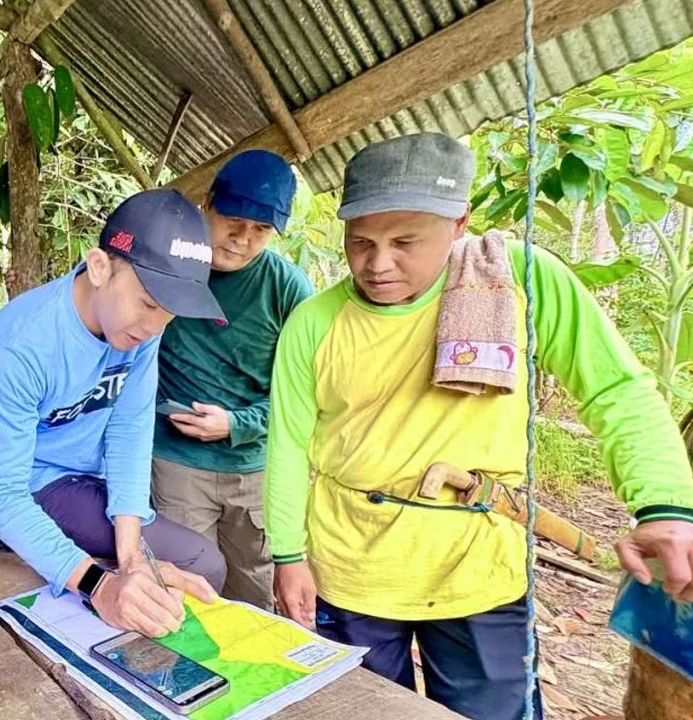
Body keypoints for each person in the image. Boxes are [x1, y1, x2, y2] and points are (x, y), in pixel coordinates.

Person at [266, 133, 693, 720]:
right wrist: (289, 556)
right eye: (360, 241)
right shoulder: (316, 321)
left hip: (479, 568)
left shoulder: (519, 281)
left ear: (459, 222)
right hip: (352, 565)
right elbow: (287, 444)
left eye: (404, 242)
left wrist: (665, 506)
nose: (377, 263)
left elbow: (614, 389)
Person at [0, 189, 229, 639]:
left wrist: (131, 557)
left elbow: (129, 430)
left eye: (168, 315)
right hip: (38, 482)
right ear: (100, 267)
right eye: (149, 304)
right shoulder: (18, 345)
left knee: (171, 573)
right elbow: (2, 495)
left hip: (93, 478)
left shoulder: (140, 332)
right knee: (199, 562)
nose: (154, 326)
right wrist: (100, 585)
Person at [151, 150, 312, 610]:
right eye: (233, 222)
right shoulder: (169, 269)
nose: (242, 240)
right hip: (176, 462)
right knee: (186, 589)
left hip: (255, 470)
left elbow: (304, 393)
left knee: (252, 591)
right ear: (208, 205)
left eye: (260, 231)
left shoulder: (287, 287)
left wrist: (238, 423)